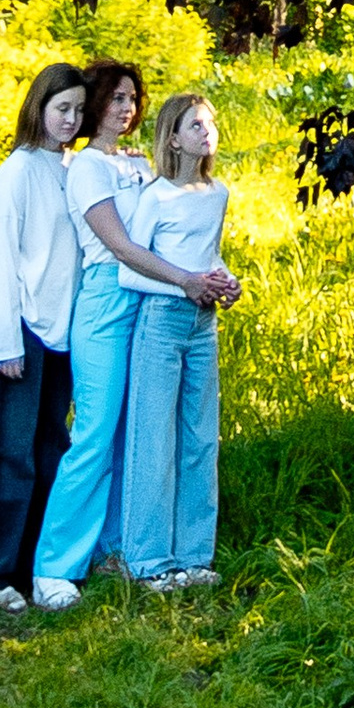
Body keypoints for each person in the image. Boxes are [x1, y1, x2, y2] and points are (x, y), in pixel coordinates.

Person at [28, 62, 235, 611]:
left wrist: (205, 278)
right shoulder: (88, 168)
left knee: (131, 433)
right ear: (96, 104)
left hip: (151, 302)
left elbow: (175, 223)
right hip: (105, 301)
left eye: (133, 99)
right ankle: (53, 567)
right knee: (95, 430)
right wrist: (188, 281)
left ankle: (115, 549)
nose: (126, 109)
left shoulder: (137, 163)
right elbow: (121, 247)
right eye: (116, 99)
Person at [0, 59, 87, 612]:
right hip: (18, 334)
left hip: (62, 335)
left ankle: (39, 570)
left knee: (50, 453)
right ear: (38, 107)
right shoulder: (15, 173)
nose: (71, 120)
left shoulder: (74, 169)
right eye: (63, 109)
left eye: (80, 111)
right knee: (8, 457)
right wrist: (6, 343)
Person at [118, 91, 237, 592]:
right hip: (161, 323)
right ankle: (148, 561)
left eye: (209, 124)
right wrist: (185, 282)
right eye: (194, 126)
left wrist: (225, 281)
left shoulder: (217, 194)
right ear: (172, 137)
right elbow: (131, 271)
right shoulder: (156, 196)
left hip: (202, 326)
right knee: (154, 440)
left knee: (200, 438)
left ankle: (194, 556)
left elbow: (209, 255)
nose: (204, 133)